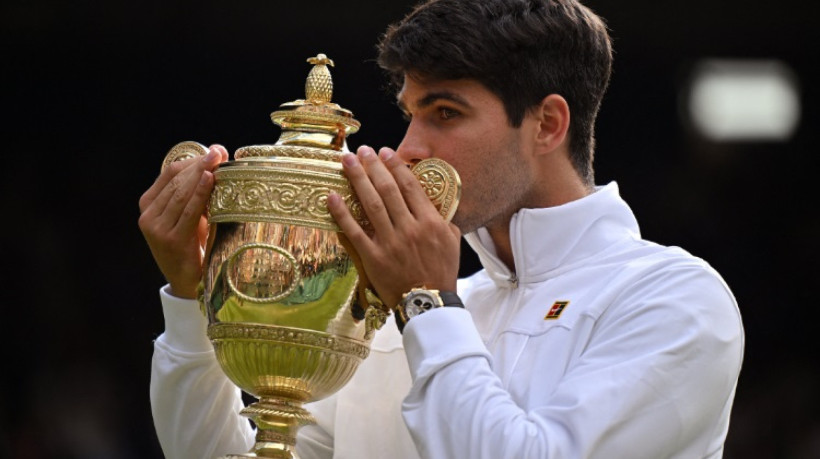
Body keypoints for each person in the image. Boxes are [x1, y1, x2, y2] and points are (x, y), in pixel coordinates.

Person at [140, 0, 744, 457]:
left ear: (547, 124)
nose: (407, 151)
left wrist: (427, 303)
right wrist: (193, 302)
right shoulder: (402, 319)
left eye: (446, 113)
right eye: (410, 115)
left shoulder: (675, 298)